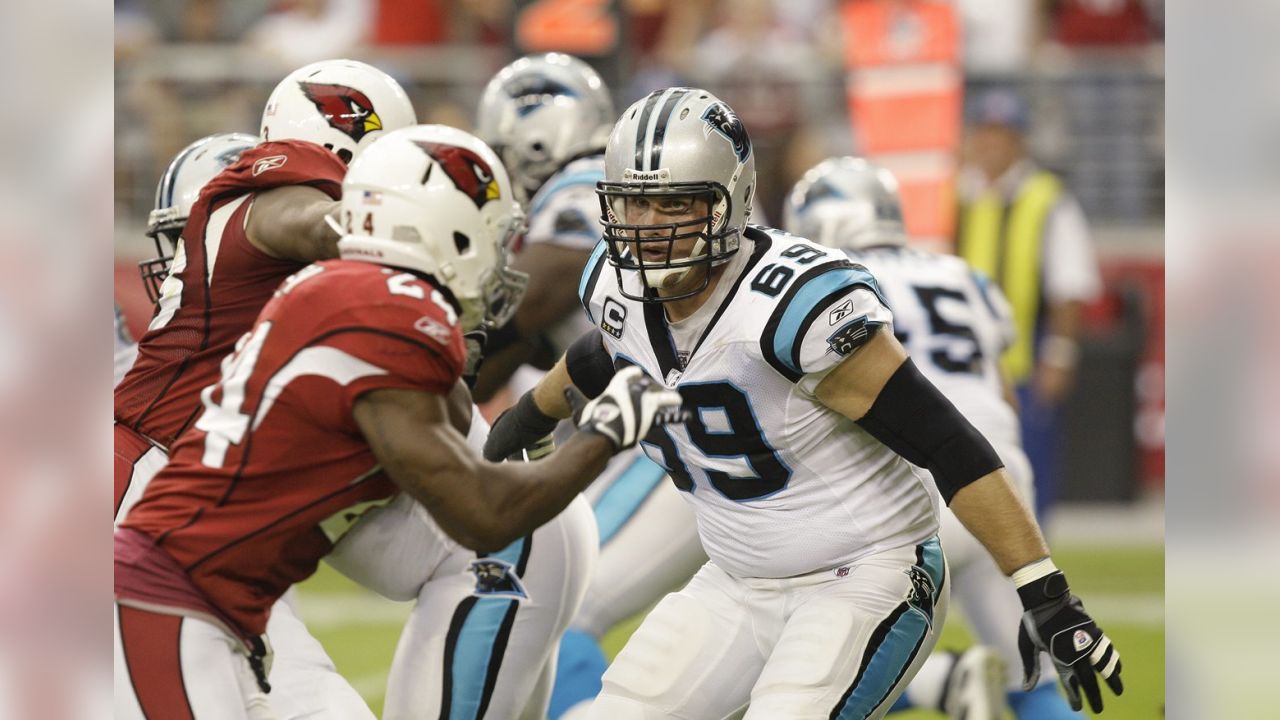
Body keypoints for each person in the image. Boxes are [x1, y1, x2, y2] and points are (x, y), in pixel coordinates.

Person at [486, 88, 1124, 719]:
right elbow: (601, 353)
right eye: (635, 204)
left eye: (674, 204)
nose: (650, 228)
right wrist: (532, 415)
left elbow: (947, 442)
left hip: (865, 576)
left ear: (730, 202)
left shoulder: (791, 307)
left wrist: (1047, 595)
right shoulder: (615, 283)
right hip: (735, 582)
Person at [113, 124, 684, 719]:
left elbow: (462, 445)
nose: (497, 259)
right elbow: (483, 516)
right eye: (491, 236)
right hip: (173, 601)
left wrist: (531, 423)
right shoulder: (385, 311)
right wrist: (603, 435)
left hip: (195, 603)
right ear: (448, 230)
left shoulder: (334, 290)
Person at [785, 156, 1083, 719]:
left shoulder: (826, 282)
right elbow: (1003, 397)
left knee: (809, 659)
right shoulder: (964, 274)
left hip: (912, 493)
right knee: (1032, 674)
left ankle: (939, 684)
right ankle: (952, 683)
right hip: (1001, 482)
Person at [474, 53, 707, 719]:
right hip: (672, 431)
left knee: (554, 603)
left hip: (675, 433)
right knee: (761, 639)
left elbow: (532, 299)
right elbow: (501, 358)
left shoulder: (582, 189)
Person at [956, 87, 1104, 518]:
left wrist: (1059, 354)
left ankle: (1036, 578)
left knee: (1028, 474)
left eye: (1002, 134)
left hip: (1021, 358)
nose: (991, 144)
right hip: (956, 363)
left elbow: (1070, 285)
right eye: (984, 133)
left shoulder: (1045, 198)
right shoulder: (953, 194)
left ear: (1020, 141)